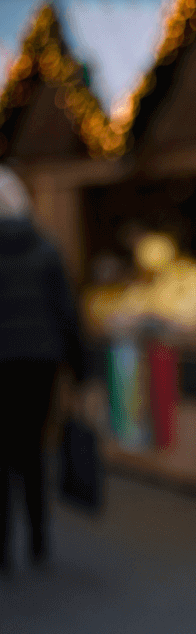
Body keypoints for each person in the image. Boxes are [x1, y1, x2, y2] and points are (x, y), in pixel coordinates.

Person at [0, 165, 86, 573]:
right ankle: (38, 540)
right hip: (41, 362)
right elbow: (66, 312)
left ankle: (3, 549)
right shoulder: (45, 248)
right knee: (33, 447)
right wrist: (80, 366)